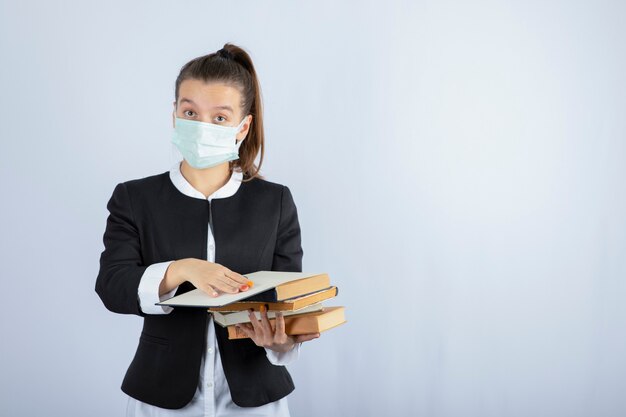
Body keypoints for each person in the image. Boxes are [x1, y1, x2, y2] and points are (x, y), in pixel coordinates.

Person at [95, 43, 319, 417]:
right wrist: (182, 269)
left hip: (253, 399)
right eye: (190, 112)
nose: (201, 126)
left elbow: (287, 299)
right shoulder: (135, 198)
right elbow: (113, 286)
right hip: (162, 397)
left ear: (242, 126)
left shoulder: (275, 202)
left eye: (219, 117)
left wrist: (279, 343)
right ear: (174, 115)